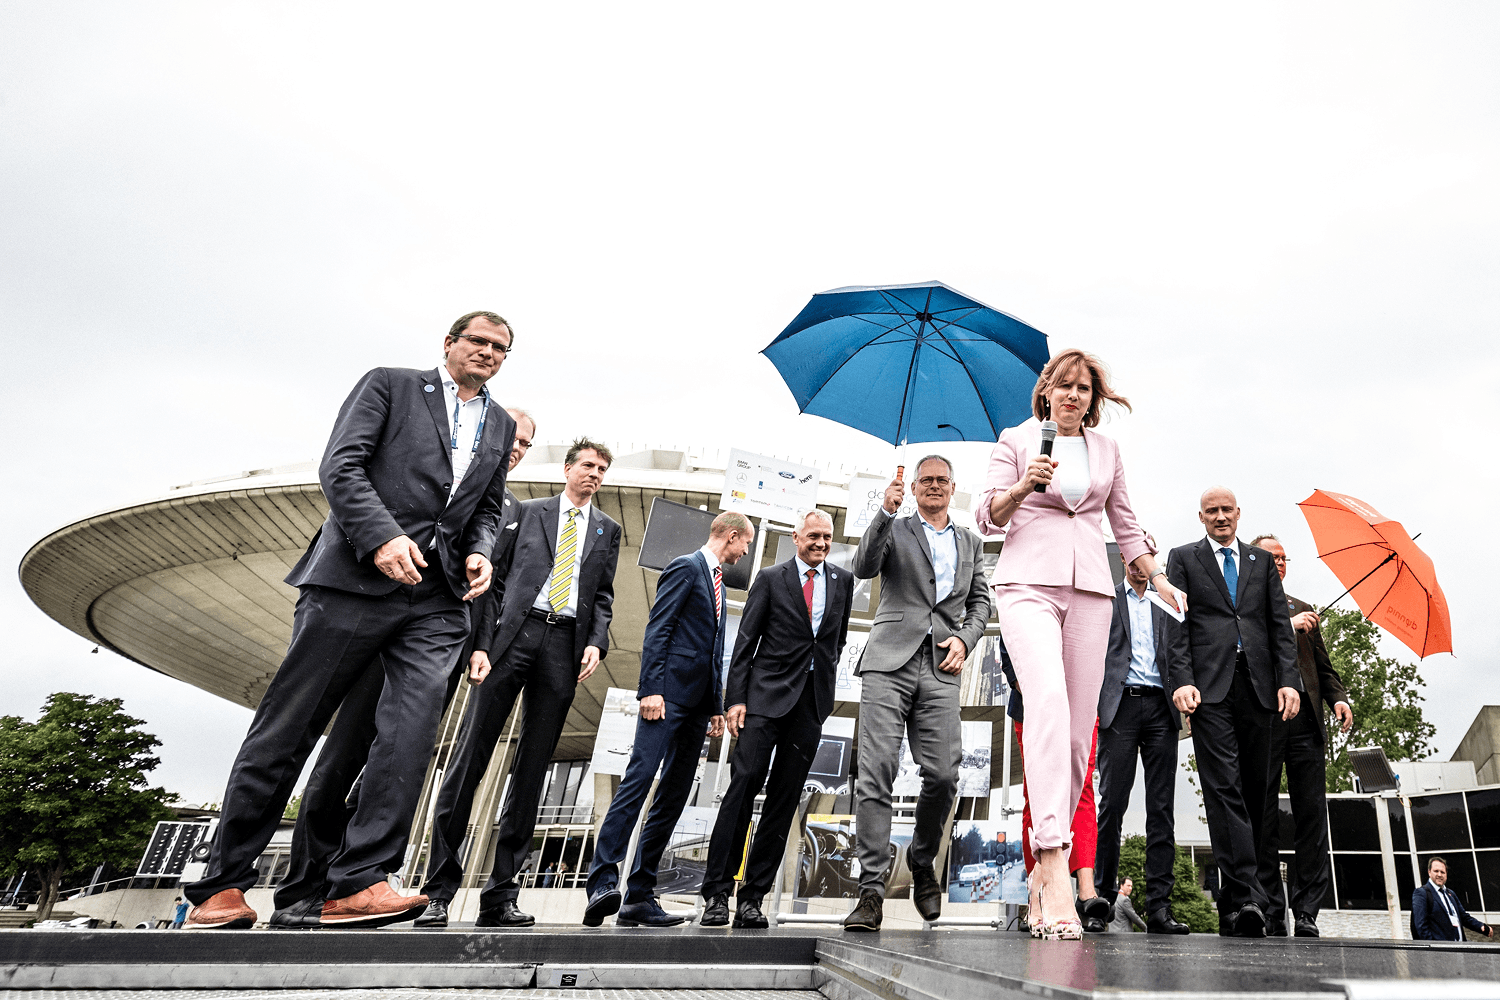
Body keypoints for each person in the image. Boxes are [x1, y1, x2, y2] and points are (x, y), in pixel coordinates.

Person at [183, 311, 518, 930]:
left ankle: (360, 881)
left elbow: (488, 507)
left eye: (500, 348)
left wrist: (479, 550)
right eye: (478, 340)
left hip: (437, 597)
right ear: (449, 343)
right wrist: (381, 536)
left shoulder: (498, 423)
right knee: (291, 727)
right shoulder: (389, 384)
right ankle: (221, 885)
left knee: (410, 733)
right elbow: (341, 466)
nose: (488, 352)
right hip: (354, 581)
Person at [268, 408, 535, 930]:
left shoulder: (508, 509)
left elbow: (493, 587)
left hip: (440, 642)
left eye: (525, 443)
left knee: (395, 759)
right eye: (512, 438)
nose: (516, 448)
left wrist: (481, 645)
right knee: (344, 756)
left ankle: (355, 881)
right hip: (381, 624)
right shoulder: (435, 477)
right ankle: (303, 888)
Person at [976, 349, 1176, 941]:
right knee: (1046, 705)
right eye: (1063, 385)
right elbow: (987, 516)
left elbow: (1125, 524)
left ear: (1093, 398)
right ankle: (1052, 858)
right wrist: (1022, 486)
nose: (1073, 395)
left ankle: (1045, 875)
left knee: (1075, 736)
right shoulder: (1015, 441)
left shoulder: (1107, 451)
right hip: (1026, 585)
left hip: (1090, 590)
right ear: (1046, 390)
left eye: (1083, 388)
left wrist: (1159, 579)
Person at [417, 438, 621, 928]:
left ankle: (501, 894)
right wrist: (482, 644)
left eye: (602, 469)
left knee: (532, 770)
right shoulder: (527, 512)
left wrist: (597, 641)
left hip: (564, 646)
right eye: (588, 465)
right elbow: (496, 581)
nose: (594, 474)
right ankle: (438, 891)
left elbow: (604, 593)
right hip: (513, 637)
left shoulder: (608, 530)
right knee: (470, 758)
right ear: (568, 469)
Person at [844, 456, 992, 932]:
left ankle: (922, 859)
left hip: (941, 666)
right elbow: (864, 566)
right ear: (912, 487)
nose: (933, 486)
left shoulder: (970, 541)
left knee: (945, 775)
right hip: (889, 660)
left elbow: (981, 602)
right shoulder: (896, 527)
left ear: (953, 486)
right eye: (925, 480)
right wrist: (885, 513)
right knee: (876, 773)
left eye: (941, 480)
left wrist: (966, 639)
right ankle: (871, 890)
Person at [584, 512, 752, 927]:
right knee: (638, 782)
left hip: (697, 708)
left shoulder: (717, 583)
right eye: (746, 543)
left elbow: (712, 651)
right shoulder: (685, 567)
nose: (746, 552)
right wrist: (650, 689)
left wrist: (715, 706)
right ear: (732, 536)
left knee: (673, 798)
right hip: (666, 698)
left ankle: (639, 896)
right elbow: (658, 629)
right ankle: (602, 883)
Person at [700, 509, 855, 929]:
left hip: (810, 706)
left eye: (827, 537)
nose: (820, 543)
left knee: (784, 801)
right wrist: (736, 699)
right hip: (764, 701)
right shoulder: (771, 578)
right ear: (796, 537)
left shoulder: (843, 581)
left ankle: (753, 898)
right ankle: (717, 894)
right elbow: (745, 643)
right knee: (743, 788)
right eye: (813, 536)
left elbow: (836, 642)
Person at [1165, 488, 1300, 938]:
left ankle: (1238, 903)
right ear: (1201, 516)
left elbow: (1279, 624)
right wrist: (1181, 680)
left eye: (1227, 510)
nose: (1220, 516)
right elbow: (1176, 625)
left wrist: (1288, 680)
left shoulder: (1261, 564)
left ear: (1239, 514)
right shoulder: (1183, 558)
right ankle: (1248, 897)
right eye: (1212, 511)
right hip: (1209, 690)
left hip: (1260, 688)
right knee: (1224, 788)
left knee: (1259, 793)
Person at [1250, 533, 1353, 939]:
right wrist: (1286, 626)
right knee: (1263, 817)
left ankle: (1307, 910)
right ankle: (1271, 909)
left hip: (1307, 725)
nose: (1278, 562)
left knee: (1312, 817)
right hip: (1267, 720)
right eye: (1270, 557)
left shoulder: (1305, 608)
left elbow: (1323, 667)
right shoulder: (1245, 607)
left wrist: (1338, 698)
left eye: (1283, 557)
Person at [1094, 543, 1190, 934]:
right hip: (1119, 708)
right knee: (1111, 805)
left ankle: (1159, 908)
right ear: (1122, 559)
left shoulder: (1167, 601)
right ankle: (1100, 899)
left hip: (1161, 709)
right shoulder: (1106, 599)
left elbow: (1182, 651)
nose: (1138, 565)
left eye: (1145, 558)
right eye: (1132, 558)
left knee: (1161, 809)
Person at [999, 647, 1108, 933]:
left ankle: (1087, 893)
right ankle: (1037, 893)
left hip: (1080, 702)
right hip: (1032, 702)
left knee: (1083, 788)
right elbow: (1009, 639)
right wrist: (1021, 683)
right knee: (1035, 794)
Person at [1412, 857, 1494, 941]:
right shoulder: (1422, 893)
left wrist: (1481, 926)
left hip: (1460, 946)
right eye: (1436, 871)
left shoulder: (1451, 894)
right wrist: (1434, 947)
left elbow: (1464, 917)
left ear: (1446, 874)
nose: (1439, 875)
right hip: (1440, 948)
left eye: (1442, 872)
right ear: (1429, 872)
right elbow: (1421, 926)